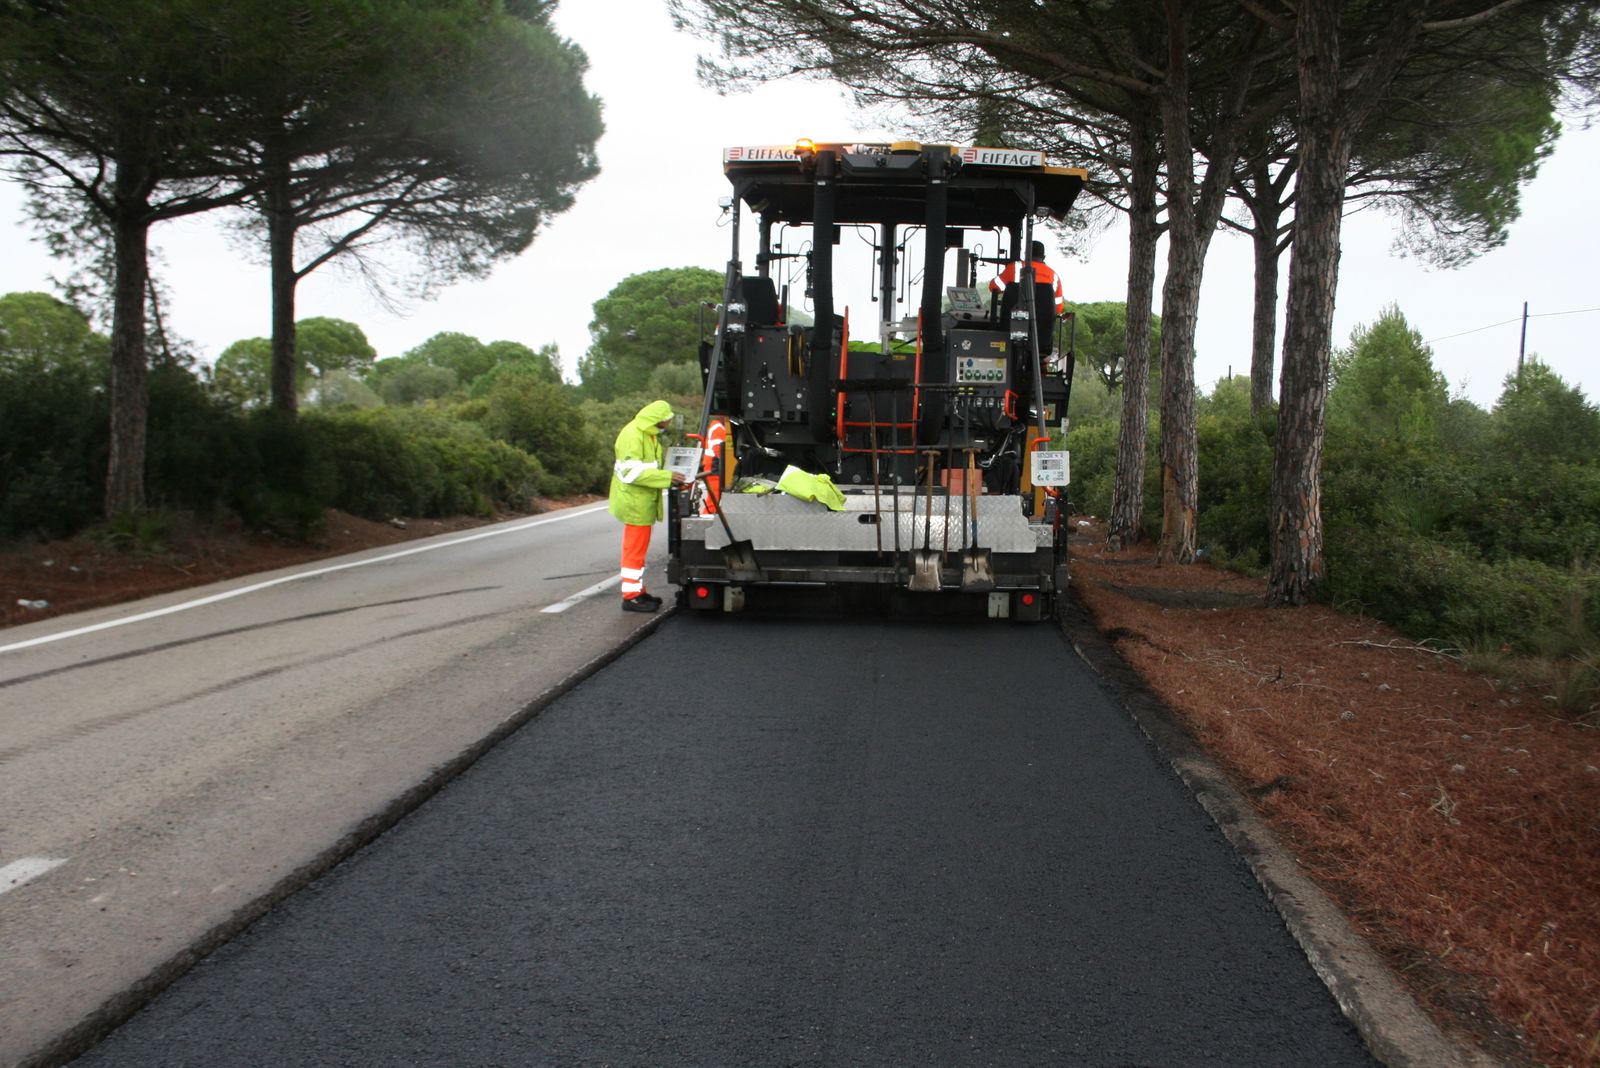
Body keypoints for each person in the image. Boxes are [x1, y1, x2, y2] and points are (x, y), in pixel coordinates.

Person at [609, 399, 686, 613]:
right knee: (634, 550)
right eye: (665, 422)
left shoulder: (648, 434)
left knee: (638, 550)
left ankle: (637, 591)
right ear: (656, 420)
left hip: (641, 500)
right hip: (634, 502)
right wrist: (667, 477)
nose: (667, 425)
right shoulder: (633, 435)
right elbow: (631, 473)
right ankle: (631, 597)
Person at [988, 239, 1066, 317]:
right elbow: (1058, 308)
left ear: (1026, 254)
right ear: (1044, 257)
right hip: (1042, 327)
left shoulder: (1015, 267)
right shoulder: (1053, 276)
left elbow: (993, 287)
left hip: (1011, 324)